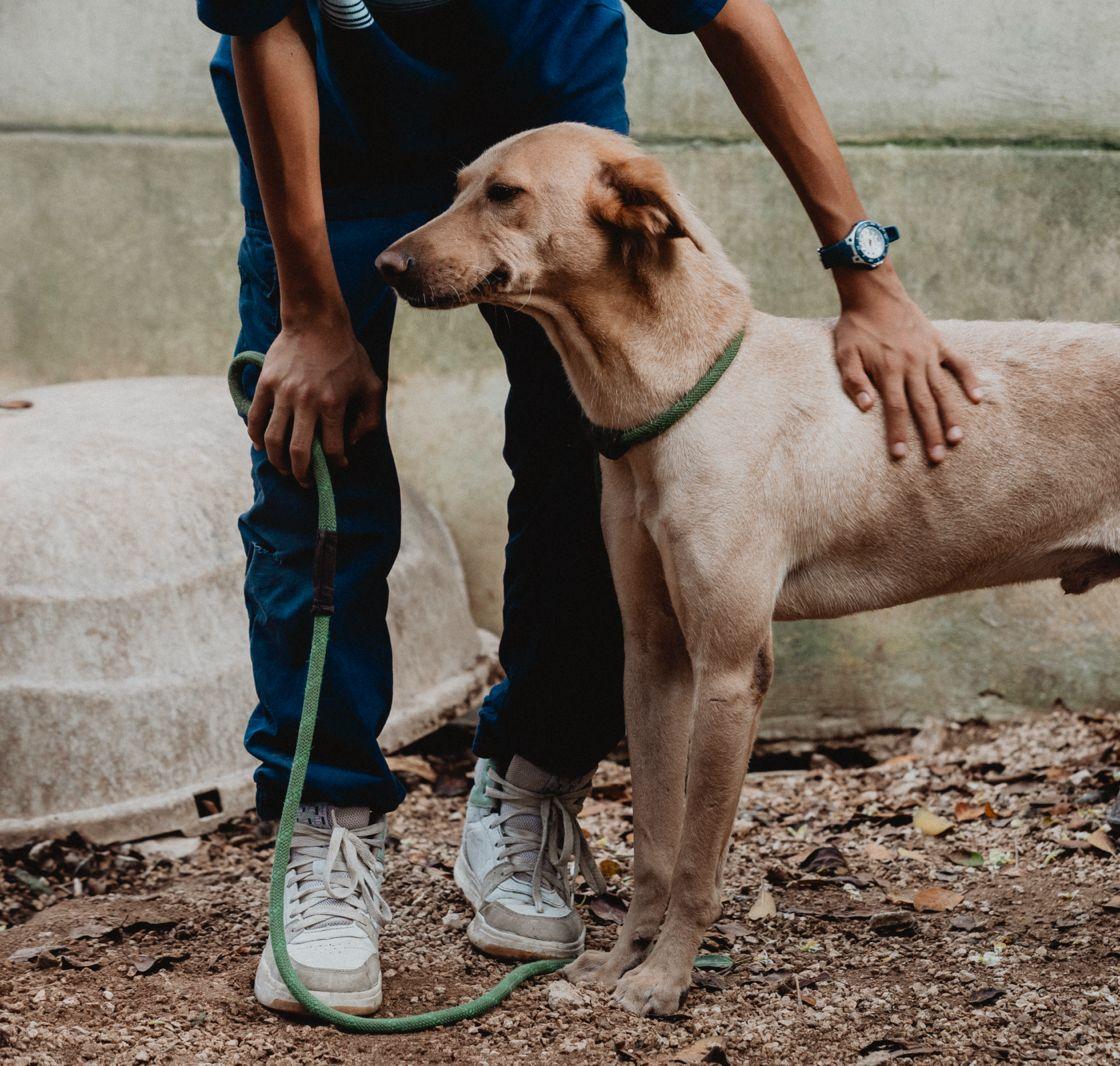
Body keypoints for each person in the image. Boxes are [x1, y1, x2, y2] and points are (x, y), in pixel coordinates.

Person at [198, 0, 981, 1016]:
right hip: (327, 130)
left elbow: (732, 18)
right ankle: (329, 820)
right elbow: (266, 23)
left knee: (595, 464)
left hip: (537, 97)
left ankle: (531, 783)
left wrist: (861, 265)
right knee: (315, 456)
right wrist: (310, 313)